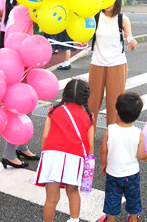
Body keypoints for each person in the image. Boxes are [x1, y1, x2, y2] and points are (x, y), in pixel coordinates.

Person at [34, 79, 95, 222]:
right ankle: (74, 220)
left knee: (51, 198)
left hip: (52, 155)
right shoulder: (88, 115)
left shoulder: (54, 110)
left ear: (65, 94)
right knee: (73, 192)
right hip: (75, 157)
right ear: (86, 97)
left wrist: (46, 154)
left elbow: (45, 136)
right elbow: (90, 145)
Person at [88, 0, 137, 133]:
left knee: (115, 103)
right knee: (92, 103)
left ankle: (113, 136)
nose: (107, 3)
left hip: (117, 64)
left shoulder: (122, 19)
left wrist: (132, 43)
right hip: (97, 63)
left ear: (117, 0)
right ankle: (88, 135)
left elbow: (130, 39)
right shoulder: (94, 17)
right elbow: (84, 37)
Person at [100, 92, 147, 222]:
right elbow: (141, 154)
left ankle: (109, 219)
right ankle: (133, 218)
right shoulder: (138, 133)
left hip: (113, 173)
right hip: (131, 175)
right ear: (137, 116)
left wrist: (104, 164)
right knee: (133, 197)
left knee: (112, 198)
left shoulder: (110, 129)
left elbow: (104, 150)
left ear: (116, 112)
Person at [1, 0, 37, 169]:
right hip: (18, 64)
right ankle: (9, 153)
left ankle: (22, 146)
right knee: (20, 106)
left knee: (26, 105)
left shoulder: (16, 9)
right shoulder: (25, 10)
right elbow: (50, 18)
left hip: (17, 62)